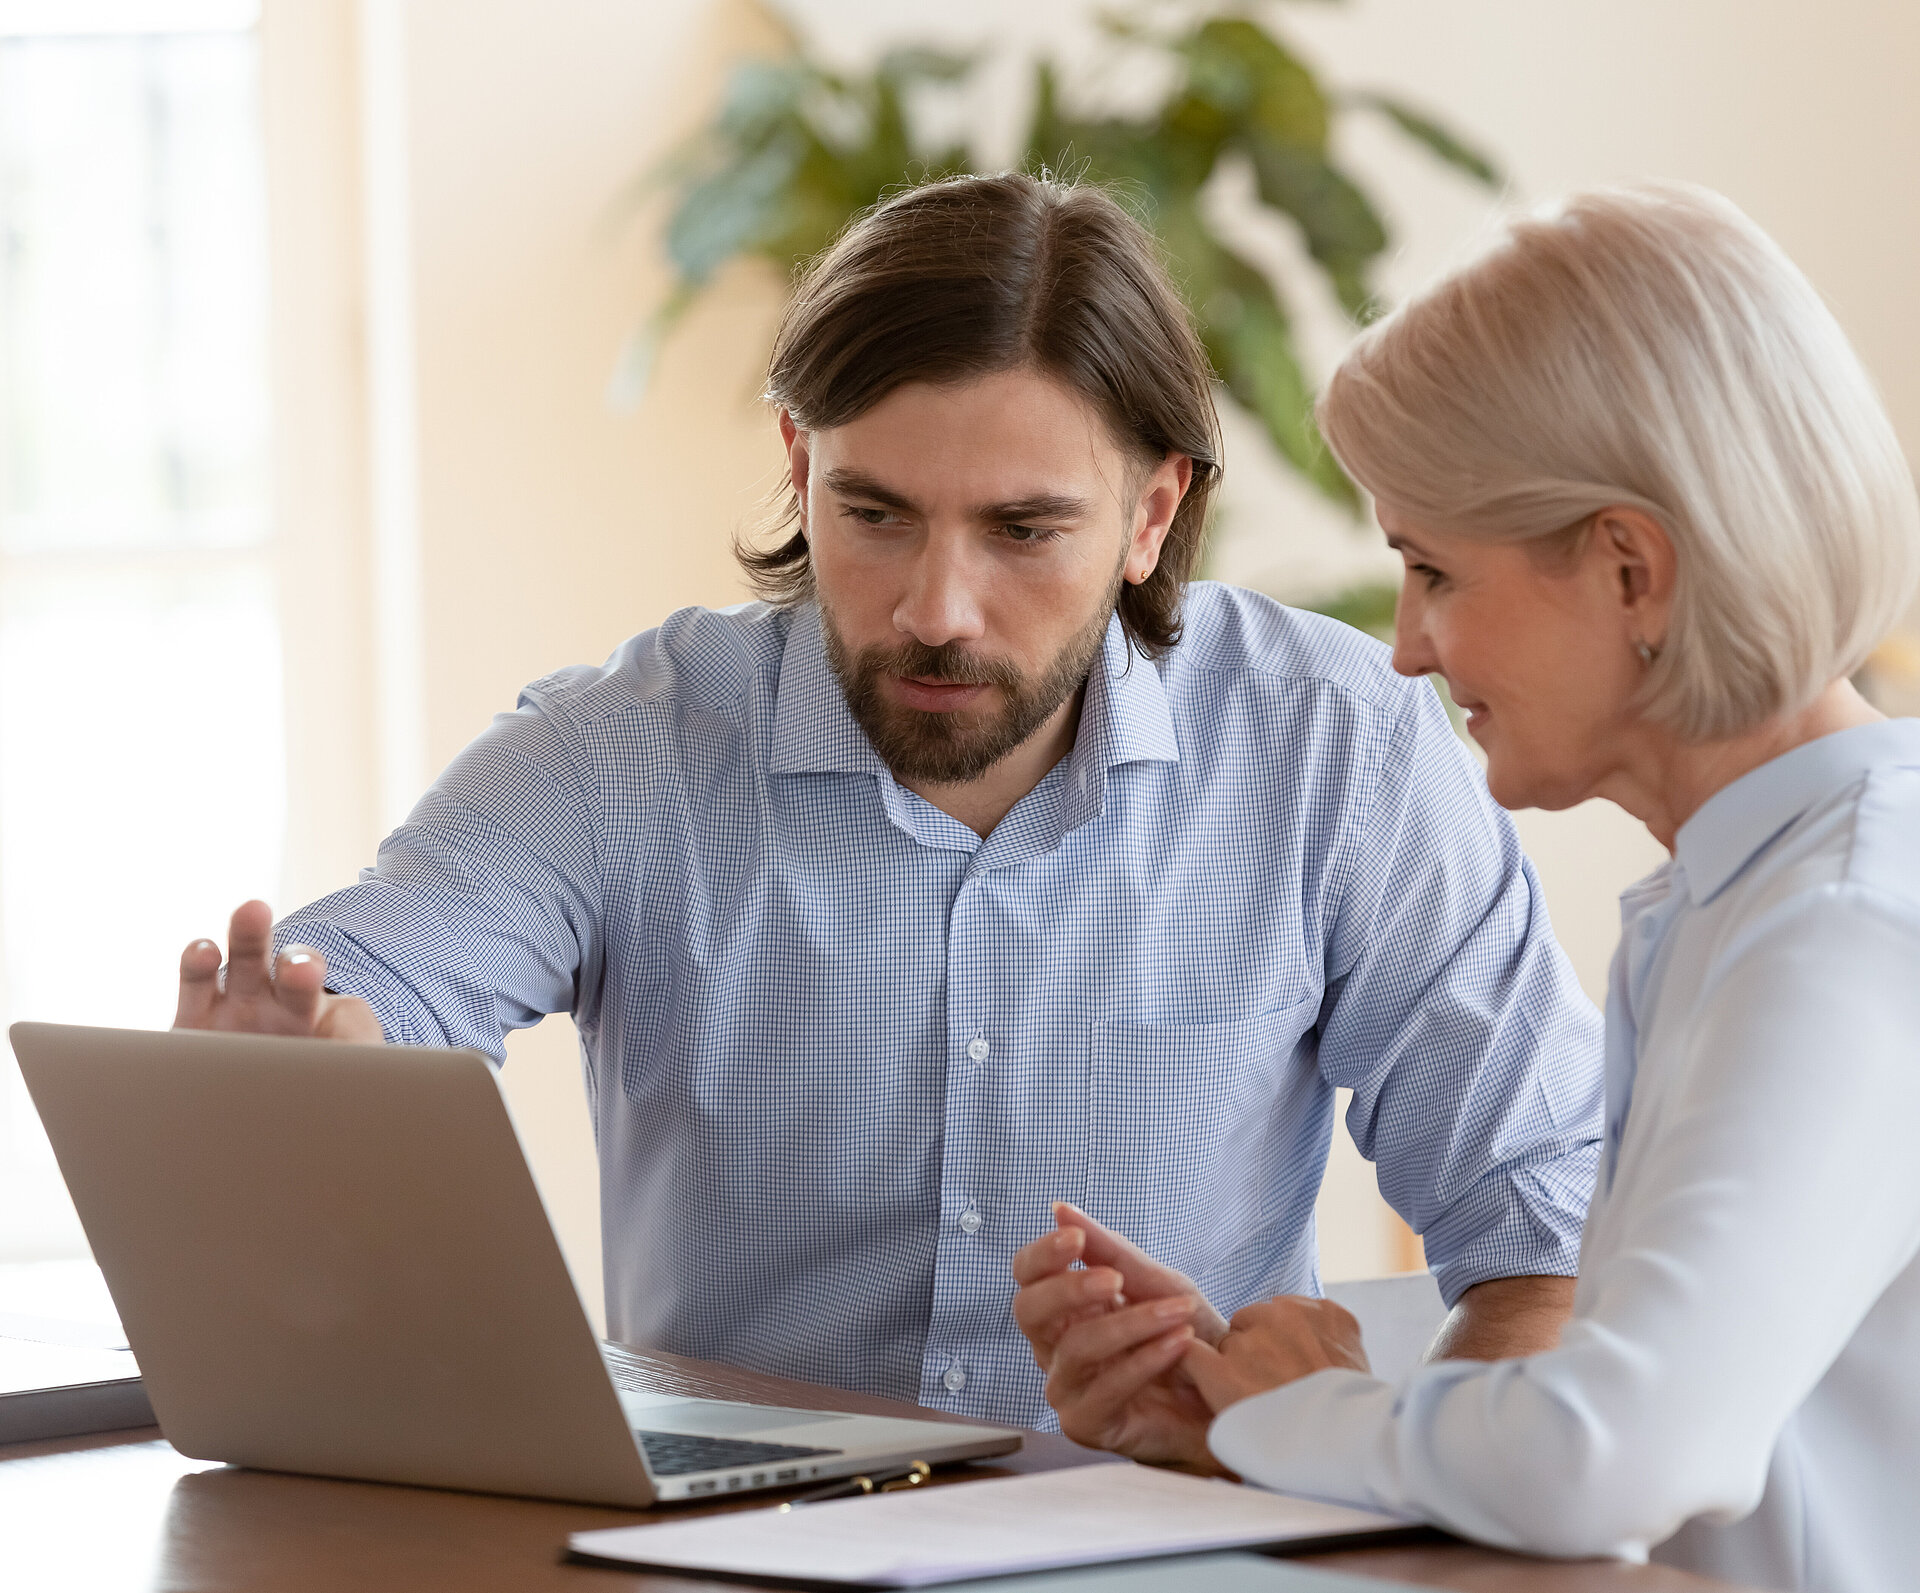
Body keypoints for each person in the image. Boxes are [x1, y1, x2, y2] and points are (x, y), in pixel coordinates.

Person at [173, 172, 1603, 1432]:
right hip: (743, 1552)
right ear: (801, 465)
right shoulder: (622, 750)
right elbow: (378, 978)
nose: (936, 608)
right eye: (875, 514)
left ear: (1151, 515)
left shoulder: (1334, 748)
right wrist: (311, 1050)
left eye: (1025, 530)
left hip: (1176, 1538)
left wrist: (1408, 1482)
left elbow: (1540, 1220)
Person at [1013, 182, 1920, 1592]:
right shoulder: (1748, 895)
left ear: (1632, 571)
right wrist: (1256, 1413)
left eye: (1435, 570)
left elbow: (1619, 1453)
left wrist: (1307, 1411)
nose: (1409, 650)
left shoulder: (1844, 925)